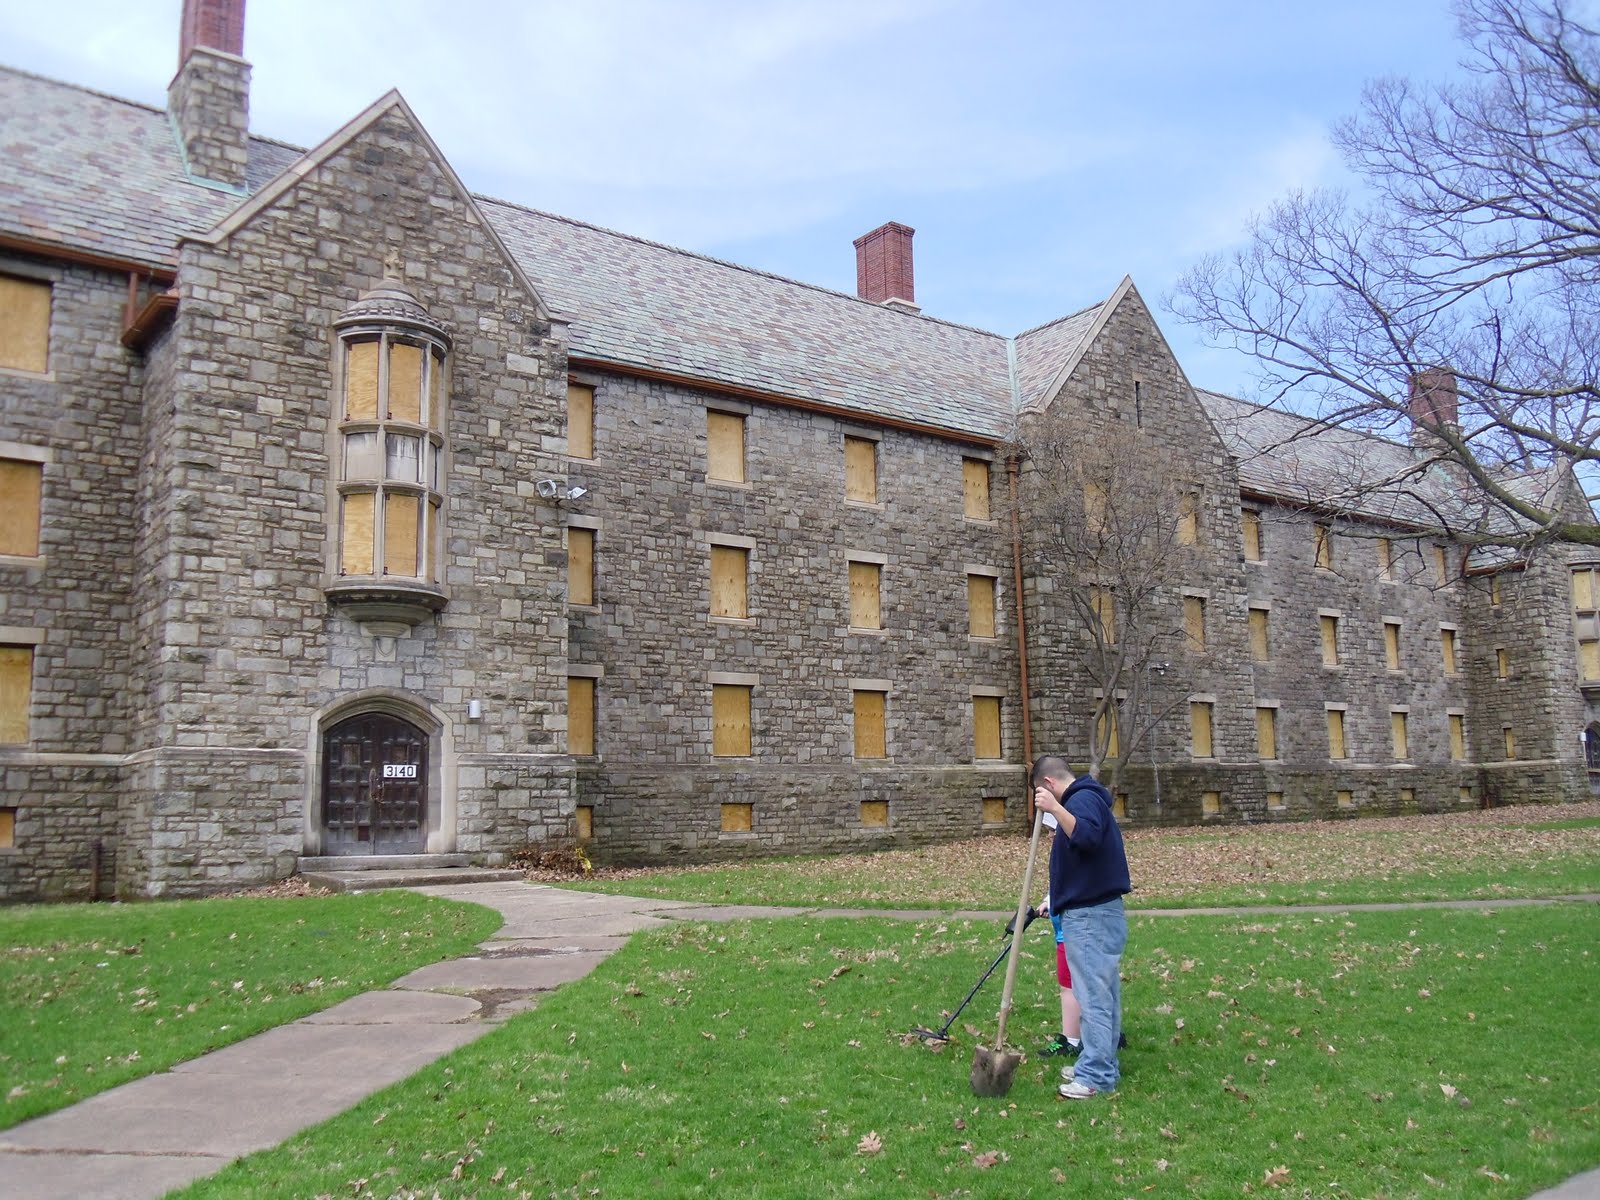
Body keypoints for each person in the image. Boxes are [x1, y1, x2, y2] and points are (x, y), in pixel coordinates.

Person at [1031, 754, 1131, 1100]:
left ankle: (1096, 1075)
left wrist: (1055, 810)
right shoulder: (1085, 799)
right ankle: (1098, 1061)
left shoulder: (1082, 799)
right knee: (1102, 994)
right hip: (1092, 913)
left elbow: (1086, 836)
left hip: (1091, 917)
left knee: (1093, 998)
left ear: (1048, 785)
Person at [1034, 812, 1084, 1060]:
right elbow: (1058, 885)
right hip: (1068, 930)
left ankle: (1072, 1039)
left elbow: (1066, 884)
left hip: (1070, 934)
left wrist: (1053, 901)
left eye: (1053, 830)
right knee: (1089, 986)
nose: (1050, 835)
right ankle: (1106, 1034)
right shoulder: (1069, 855)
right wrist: (1048, 901)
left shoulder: (1070, 854)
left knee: (1069, 988)